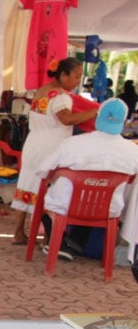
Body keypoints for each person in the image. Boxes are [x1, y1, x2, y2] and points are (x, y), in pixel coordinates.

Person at [34, 98, 138, 260]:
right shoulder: (132, 151)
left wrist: (56, 176)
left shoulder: (72, 143)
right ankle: (72, 243)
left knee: (48, 195)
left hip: (67, 206)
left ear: (97, 117)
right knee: (99, 200)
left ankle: (61, 240)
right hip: (107, 209)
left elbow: (42, 170)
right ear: (123, 122)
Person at [9, 57, 98, 245]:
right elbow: (66, 119)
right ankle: (49, 236)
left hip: (34, 143)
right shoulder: (60, 96)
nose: (77, 81)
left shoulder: (42, 91)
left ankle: (18, 233)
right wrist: (95, 112)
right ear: (63, 75)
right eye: (76, 76)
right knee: (48, 191)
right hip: (50, 147)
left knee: (27, 185)